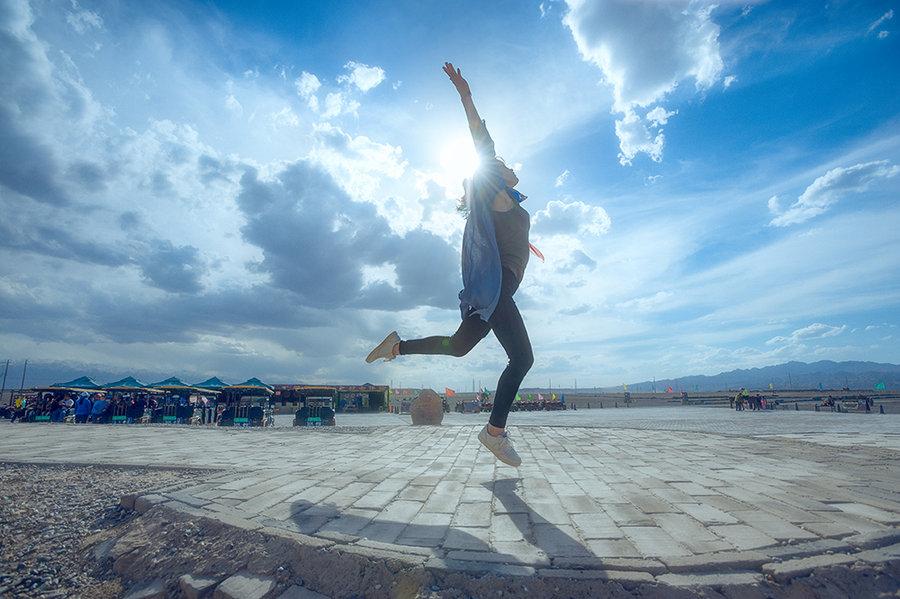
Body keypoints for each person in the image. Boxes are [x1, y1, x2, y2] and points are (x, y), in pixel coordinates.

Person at [366, 63, 535, 467]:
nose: (514, 168)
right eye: (507, 165)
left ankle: (397, 346)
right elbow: (484, 144)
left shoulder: (506, 204)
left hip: (498, 287)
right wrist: (466, 96)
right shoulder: (496, 194)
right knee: (523, 359)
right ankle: (494, 432)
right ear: (496, 174)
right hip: (498, 287)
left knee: (459, 347)